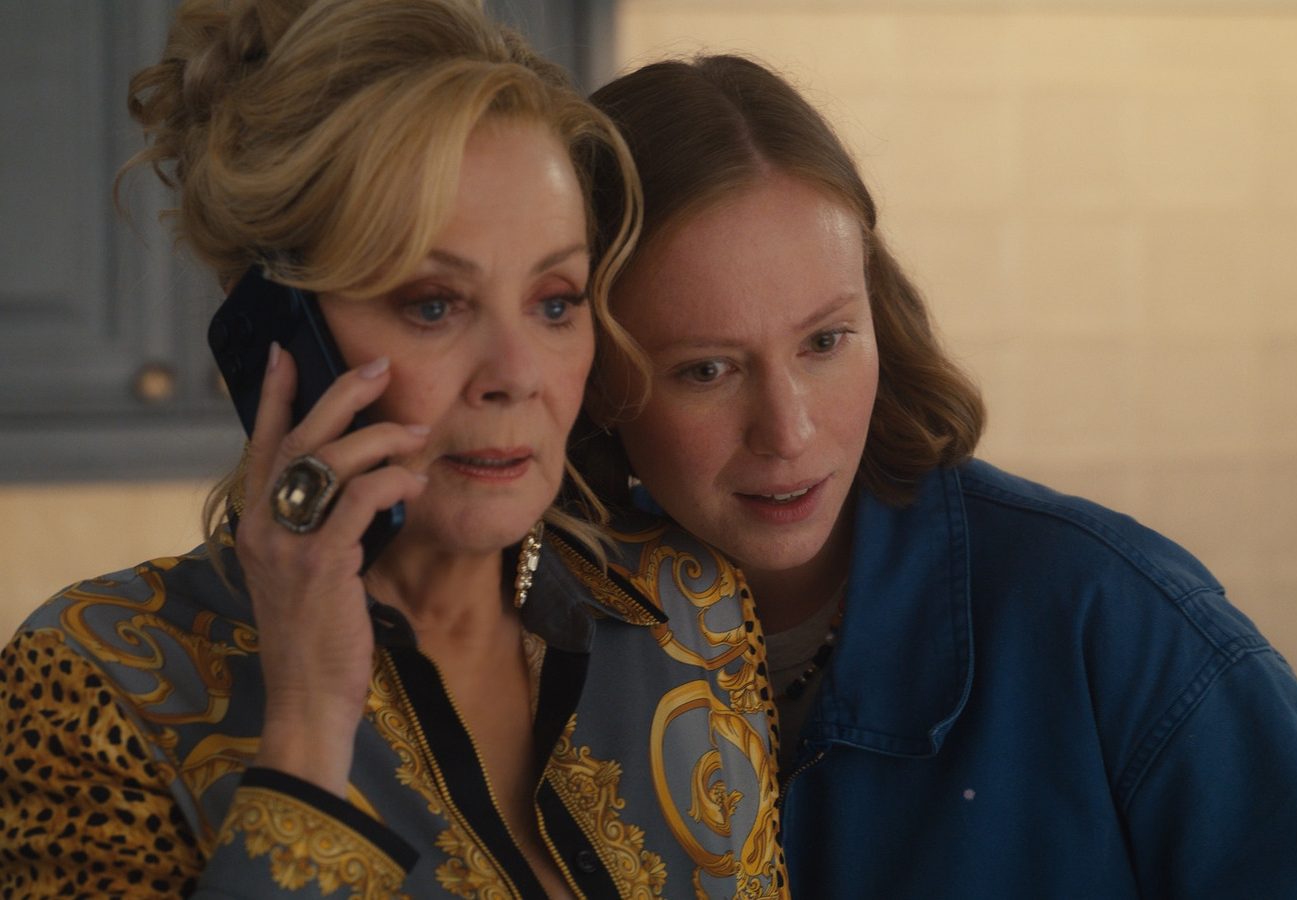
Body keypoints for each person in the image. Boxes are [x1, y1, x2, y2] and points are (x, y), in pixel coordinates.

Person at [579, 54, 1297, 897]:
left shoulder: (1106, 615)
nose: (790, 430)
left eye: (825, 341)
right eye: (707, 370)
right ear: (595, 377)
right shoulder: (546, 647)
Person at [0, 7, 786, 898]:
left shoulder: (687, 606)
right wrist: (307, 726)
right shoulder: (98, 680)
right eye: (433, 304)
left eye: (555, 301)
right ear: (275, 329)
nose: (517, 375)